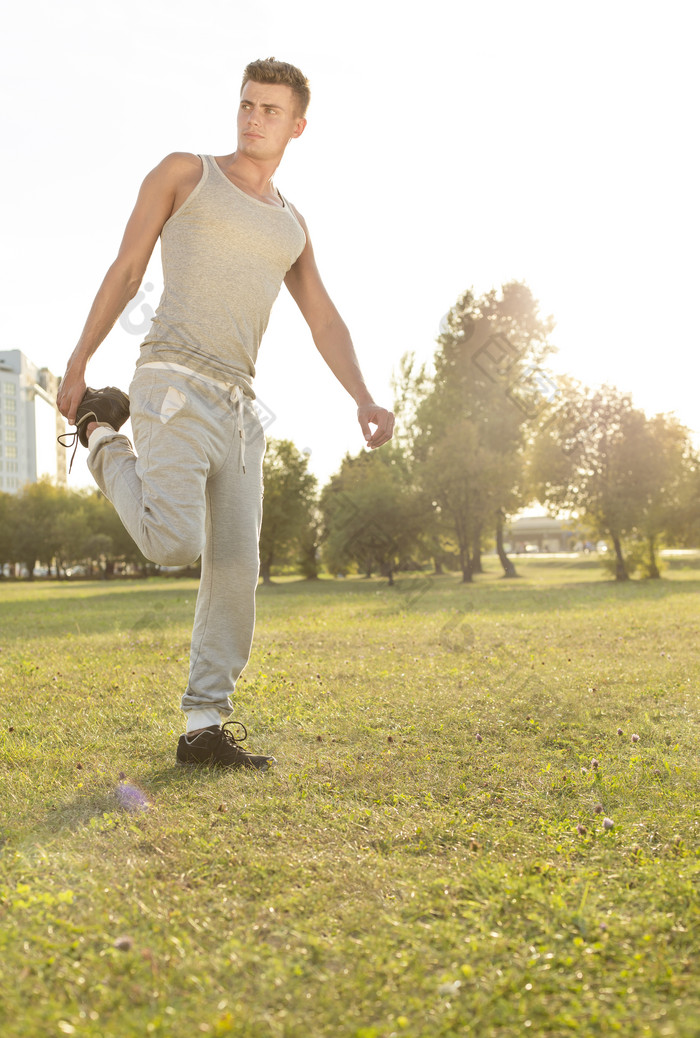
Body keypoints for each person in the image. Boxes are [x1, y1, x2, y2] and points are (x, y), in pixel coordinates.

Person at [56, 57, 394, 771]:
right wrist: (80, 361)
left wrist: (363, 396)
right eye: (246, 104)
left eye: (270, 110)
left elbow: (324, 320)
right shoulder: (185, 173)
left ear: (298, 126)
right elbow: (126, 269)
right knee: (175, 542)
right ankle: (99, 429)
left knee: (237, 568)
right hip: (172, 380)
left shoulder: (292, 225)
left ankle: (203, 726)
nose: (253, 118)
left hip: (241, 407)